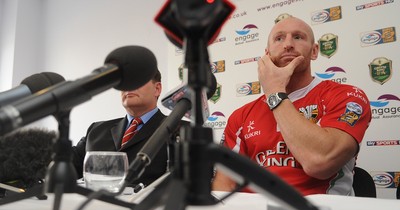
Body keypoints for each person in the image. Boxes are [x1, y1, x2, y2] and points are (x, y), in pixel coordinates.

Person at [212, 15, 372, 196]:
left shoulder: (346, 96)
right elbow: (223, 186)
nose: (288, 44)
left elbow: (319, 162)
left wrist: (274, 91)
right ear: (267, 54)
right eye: (279, 38)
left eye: (298, 37)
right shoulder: (241, 116)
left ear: (314, 51)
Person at [72, 70, 182, 187]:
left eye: (138, 81)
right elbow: (66, 164)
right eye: (126, 83)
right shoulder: (96, 130)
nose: (129, 86)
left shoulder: (180, 130)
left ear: (157, 89)